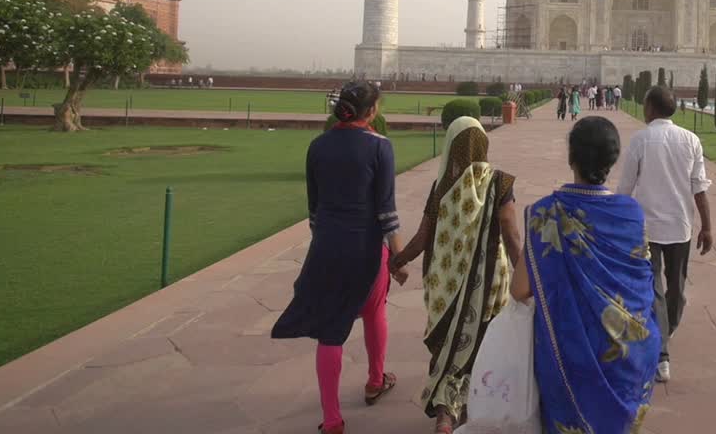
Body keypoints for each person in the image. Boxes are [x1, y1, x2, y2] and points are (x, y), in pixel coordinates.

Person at [508, 117, 660, 433]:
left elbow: (520, 288)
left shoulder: (547, 213)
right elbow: (642, 283)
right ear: (613, 159)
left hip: (568, 357)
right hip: (628, 357)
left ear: (571, 158)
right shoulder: (631, 214)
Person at [272, 81, 405, 434]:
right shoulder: (380, 147)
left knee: (331, 331)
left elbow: (314, 211)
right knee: (374, 311)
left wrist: (328, 245)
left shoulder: (318, 146)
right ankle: (376, 380)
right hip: (366, 250)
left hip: (326, 248)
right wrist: (399, 256)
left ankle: (332, 419)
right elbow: (386, 211)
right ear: (372, 111)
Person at [389, 116, 523, 434]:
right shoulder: (500, 182)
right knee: (483, 344)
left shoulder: (442, 188)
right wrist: (529, 276)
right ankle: (479, 407)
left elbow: (423, 237)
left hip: (445, 285)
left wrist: (399, 260)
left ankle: (446, 414)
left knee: (450, 345)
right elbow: (511, 234)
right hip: (492, 282)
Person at [616, 86, 713, 383]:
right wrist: (707, 227)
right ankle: (663, 351)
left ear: (651, 109)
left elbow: (624, 189)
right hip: (680, 226)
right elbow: (700, 188)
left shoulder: (641, 140)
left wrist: (617, 224)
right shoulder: (691, 140)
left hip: (647, 226)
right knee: (675, 289)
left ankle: (662, 340)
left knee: (656, 289)